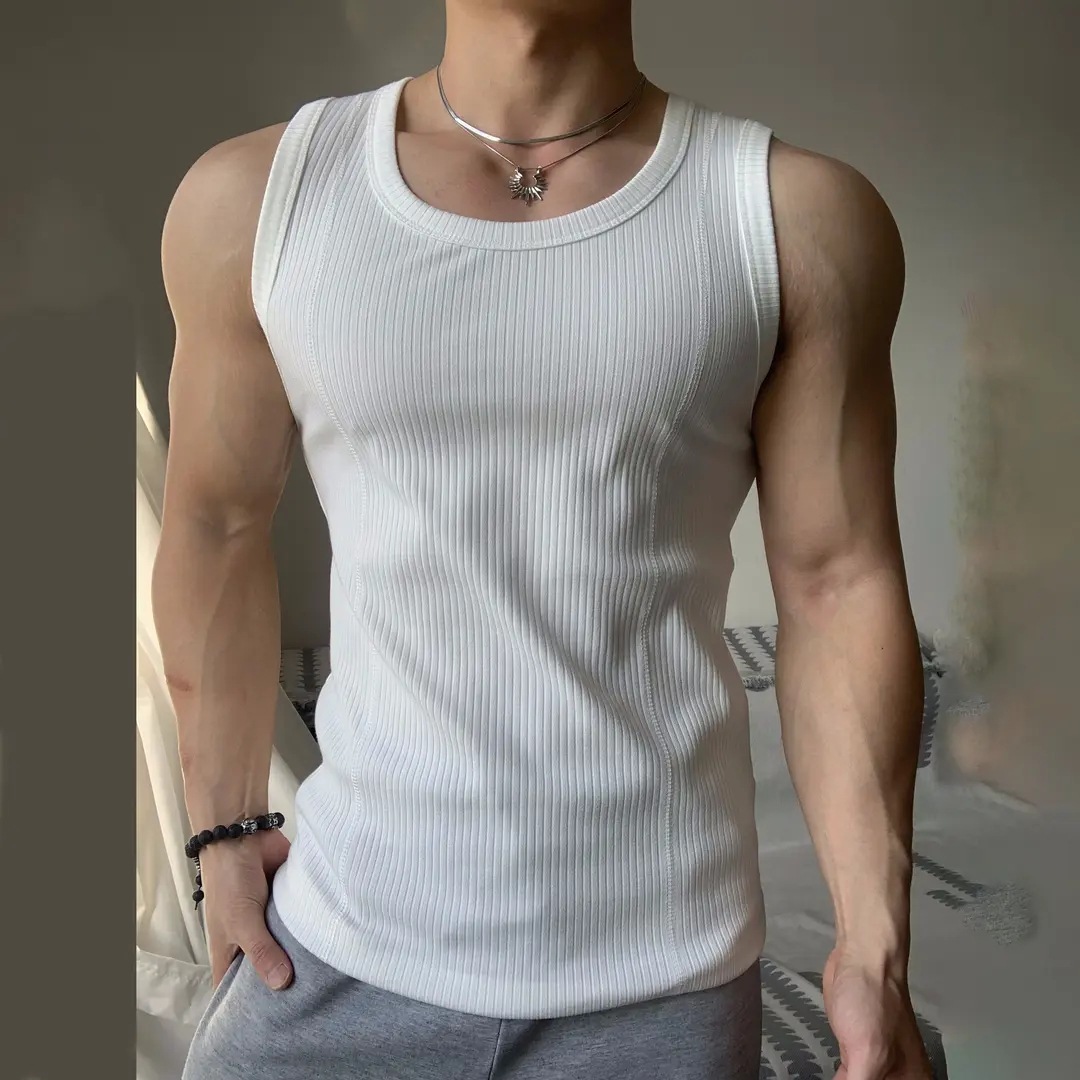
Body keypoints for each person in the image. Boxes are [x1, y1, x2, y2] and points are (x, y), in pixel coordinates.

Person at [153, 1, 932, 1077]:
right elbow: (216, 521)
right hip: (335, 949)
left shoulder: (793, 218)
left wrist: (873, 948)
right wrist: (221, 833)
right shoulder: (256, 197)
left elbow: (837, 583)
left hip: (662, 978)